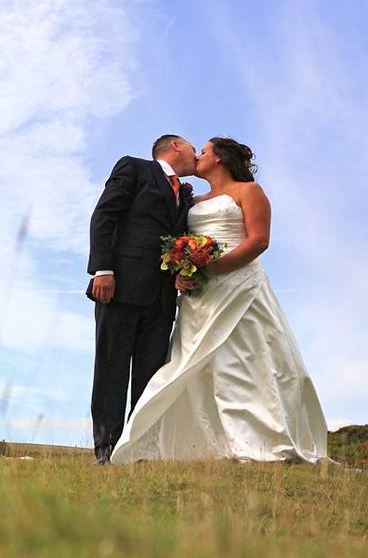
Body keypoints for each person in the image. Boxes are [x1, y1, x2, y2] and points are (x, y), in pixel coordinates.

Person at [110, 137, 328, 464]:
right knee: (192, 366)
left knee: (243, 362)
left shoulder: (248, 192)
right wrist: (183, 272)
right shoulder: (192, 200)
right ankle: (194, 447)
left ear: (221, 159)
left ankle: (259, 442)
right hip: (200, 296)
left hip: (239, 287)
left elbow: (259, 240)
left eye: (205, 151)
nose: (198, 156)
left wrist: (212, 267)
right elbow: (178, 240)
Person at [86, 134, 198, 464]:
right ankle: (105, 450)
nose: (197, 153)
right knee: (111, 368)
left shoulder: (187, 195)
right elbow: (105, 215)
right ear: (176, 146)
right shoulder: (134, 168)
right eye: (193, 147)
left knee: (151, 375)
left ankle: (138, 449)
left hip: (162, 296)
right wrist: (102, 269)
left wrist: (183, 270)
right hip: (120, 287)